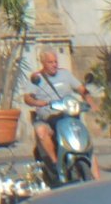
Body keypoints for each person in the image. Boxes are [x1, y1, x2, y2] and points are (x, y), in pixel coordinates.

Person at [24, 49, 100, 181]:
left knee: (85, 141)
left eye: (55, 61)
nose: (54, 65)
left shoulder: (65, 74)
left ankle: (98, 181)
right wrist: (37, 102)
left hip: (68, 115)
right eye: (50, 62)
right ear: (43, 63)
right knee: (41, 131)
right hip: (48, 119)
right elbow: (27, 98)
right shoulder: (37, 78)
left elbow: (82, 89)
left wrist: (91, 102)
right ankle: (54, 163)